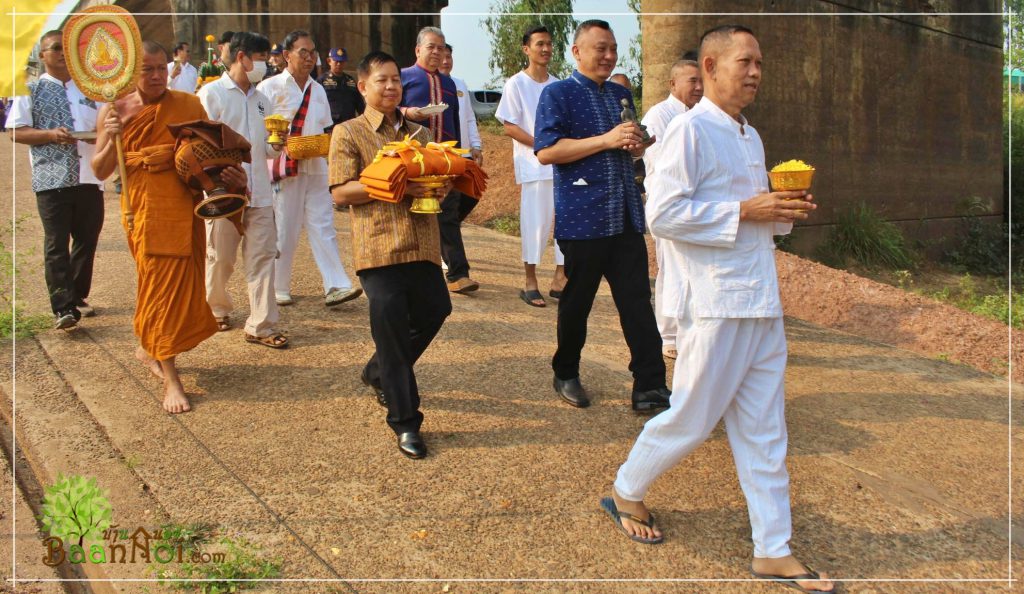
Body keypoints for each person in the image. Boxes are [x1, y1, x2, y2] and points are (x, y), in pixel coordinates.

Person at [604, 25, 834, 594]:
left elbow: (752, 216)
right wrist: (746, 209)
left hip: (760, 300)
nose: (755, 72)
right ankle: (627, 489)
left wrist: (782, 210)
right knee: (693, 417)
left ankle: (773, 549)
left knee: (765, 429)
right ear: (709, 66)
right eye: (745, 61)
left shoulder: (748, 136)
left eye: (759, 62)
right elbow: (665, 216)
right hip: (716, 303)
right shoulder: (688, 132)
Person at [92, 41, 247, 414]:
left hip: (182, 206)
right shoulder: (115, 109)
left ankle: (150, 348)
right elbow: (100, 170)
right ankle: (171, 376)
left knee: (178, 284)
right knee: (157, 287)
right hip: (143, 208)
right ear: (131, 73)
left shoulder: (189, 103)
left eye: (162, 68)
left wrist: (232, 175)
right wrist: (115, 133)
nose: (157, 75)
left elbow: (209, 150)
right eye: (148, 69)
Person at [534, 20, 669, 413]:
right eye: (599, 49)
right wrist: (607, 140)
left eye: (612, 49)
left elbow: (626, 146)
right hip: (584, 217)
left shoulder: (619, 94)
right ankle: (566, 371)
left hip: (625, 215)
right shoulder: (558, 94)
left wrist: (636, 146)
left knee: (637, 304)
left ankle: (650, 386)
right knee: (578, 302)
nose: (608, 56)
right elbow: (546, 151)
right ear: (576, 52)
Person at [329, 50, 452, 459]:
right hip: (379, 246)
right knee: (394, 331)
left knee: (437, 310)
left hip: (422, 242)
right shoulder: (348, 133)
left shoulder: (420, 134)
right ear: (363, 86)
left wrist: (442, 183)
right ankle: (406, 423)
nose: (391, 86)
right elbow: (341, 192)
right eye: (381, 80)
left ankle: (377, 370)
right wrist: (396, 183)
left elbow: (435, 175)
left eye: (395, 79)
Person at [257, 29, 362, 308]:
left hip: (315, 164)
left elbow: (325, 126)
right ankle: (279, 286)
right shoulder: (269, 88)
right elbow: (260, 129)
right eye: (302, 52)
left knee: (323, 224)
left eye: (312, 52)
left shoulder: (318, 89)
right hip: (284, 165)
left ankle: (336, 284)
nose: (308, 57)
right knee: (285, 227)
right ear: (287, 55)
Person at [197, 31, 288, 349]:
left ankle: (261, 325)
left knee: (263, 257)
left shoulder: (263, 100)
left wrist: (277, 145)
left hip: (260, 191)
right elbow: (199, 145)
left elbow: (266, 149)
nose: (265, 64)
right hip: (223, 192)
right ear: (242, 57)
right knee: (220, 258)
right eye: (262, 59)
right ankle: (217, 308)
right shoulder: (212, 95)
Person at [8, 30, 104, 329]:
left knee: (87, 241)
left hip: (89, 175)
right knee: (56, 243)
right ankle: (63, 306)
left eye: (67, 48)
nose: (63, 53)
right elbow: (15, 131)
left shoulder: (91, 90)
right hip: (52, 178)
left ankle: (77, 295)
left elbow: (104, 127)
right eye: (55, 48)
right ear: (42, 55)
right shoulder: (30, 91)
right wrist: (50, 135)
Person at [400, 27, 479, 295]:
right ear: (418, 50)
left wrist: (458, 155)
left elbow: (457, 120)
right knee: (410, 211)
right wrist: (408, 112)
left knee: (448, 211)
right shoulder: (404, 77)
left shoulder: (449, 85)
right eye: (432, 47)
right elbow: (386, 109)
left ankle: (459, 274)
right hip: (412, 156)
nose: (437, 52)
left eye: (441, 48)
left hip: (444, 156)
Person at [494, 25, 566, 308]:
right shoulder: (516, 84)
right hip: (533, 165)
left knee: (565, 224)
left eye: (549, 44)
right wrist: (541, 145)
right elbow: (510, 127)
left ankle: (560, 278)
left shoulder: (559, 85)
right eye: (540, 44)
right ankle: (530, 282)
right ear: (527, 49)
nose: (546, 49)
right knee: (535, 225)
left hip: (561, 164)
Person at [641, 56, 703, 360]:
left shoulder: (702, 115)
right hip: (668, 206)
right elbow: (662, 164)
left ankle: (691, 330)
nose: (699, 87)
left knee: (693, 270)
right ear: (673, 83)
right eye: (692, 80)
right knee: (672, 270)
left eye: (701, 80)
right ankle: (668, 335)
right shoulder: (659, 116)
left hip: (696, 207)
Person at [319, 47, 364, 129]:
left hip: (350, 126)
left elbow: (359, 104)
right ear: (329, 61)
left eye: (342, 61)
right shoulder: (321, 81)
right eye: (336, 61)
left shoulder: (350, 81)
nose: (339, 64)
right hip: (330, 127)